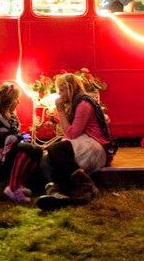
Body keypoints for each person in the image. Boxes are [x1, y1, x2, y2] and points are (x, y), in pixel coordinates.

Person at [37, 72, 113, 211]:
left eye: (62, 90)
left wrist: (60, 111)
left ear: (71, 89)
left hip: (94, 146)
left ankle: (87, 187)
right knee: (45, 159)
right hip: (83, 143)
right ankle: (54, 192)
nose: (59, 94)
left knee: (54, 149)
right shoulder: (76, 103)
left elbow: (71, 134)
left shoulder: (84, 104)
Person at [0, 82, 43, 203]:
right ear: (9, 101)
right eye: (16, 99)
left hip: (3, 154)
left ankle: (18, 184)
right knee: (25, 148)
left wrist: (22, 136)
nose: (18, 102)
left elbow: (15, 137)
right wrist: (13, 138)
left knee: (37, 150)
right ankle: (12, 188)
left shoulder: (10, 116)